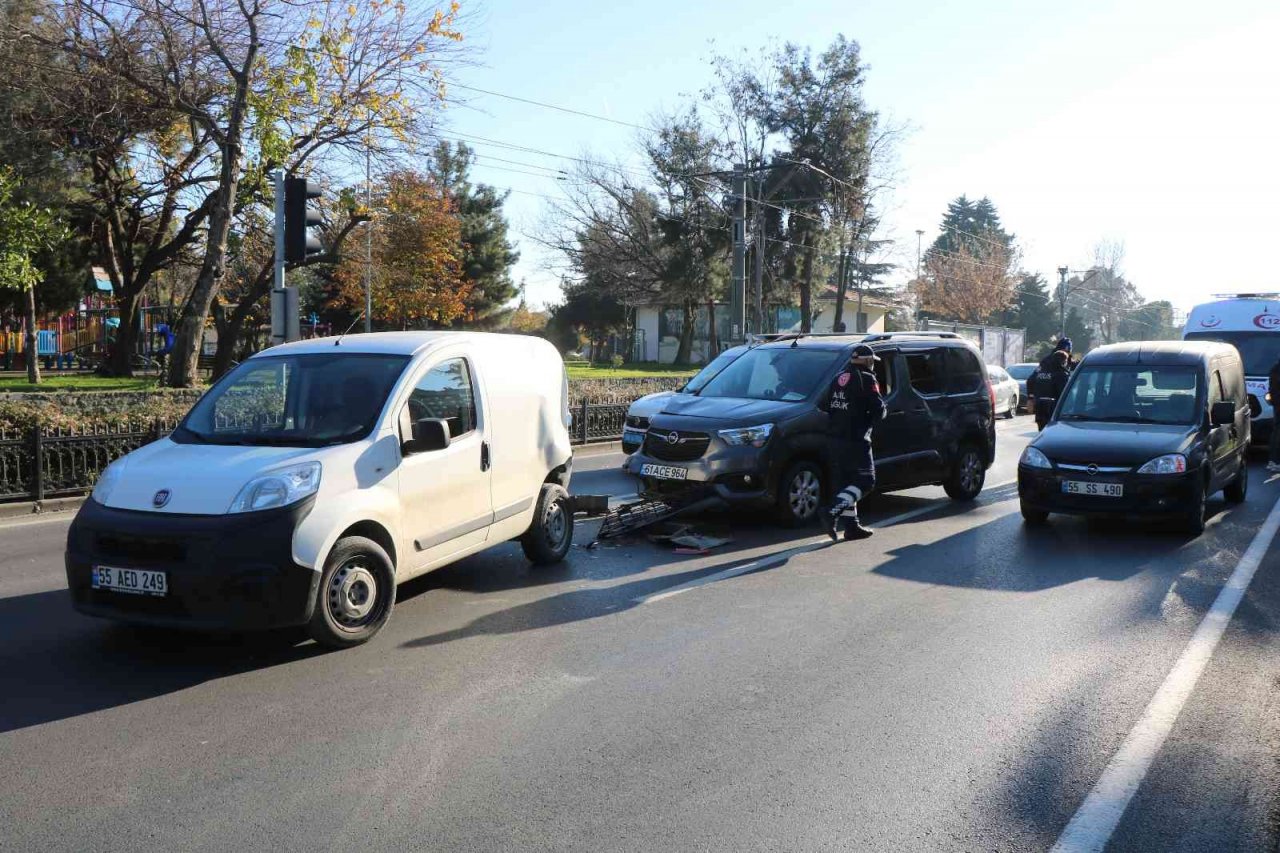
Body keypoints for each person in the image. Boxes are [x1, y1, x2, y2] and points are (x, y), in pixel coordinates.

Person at [822, 344, 887, 542]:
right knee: (866, 481)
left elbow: (825, 406)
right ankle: (831, 511)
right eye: (872, 362)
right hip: (856, 439)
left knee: (847, 484)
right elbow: (878, 410)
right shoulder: (866, 378)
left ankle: (851, 527)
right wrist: (882, 410)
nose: (873, 365)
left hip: (835, 439)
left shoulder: (838, 378)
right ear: (867, 361)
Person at [1030, 348, 1071, 431]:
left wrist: (1030, 397)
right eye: (1066, 361)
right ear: (1063, 361)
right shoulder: (1061, 374)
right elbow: (1063, 394)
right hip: (1053, 409)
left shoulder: (1041, 372)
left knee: (1041, 431)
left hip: (1039, 407)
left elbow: (1031, 381)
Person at [1268, 356, 1280, 473]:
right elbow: (1274, 391)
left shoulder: (1275, 369)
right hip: (1279, 406)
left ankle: (1274, 460)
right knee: (1277, 433)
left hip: (1277, 405)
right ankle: (1274, 461)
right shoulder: (1277, 370)